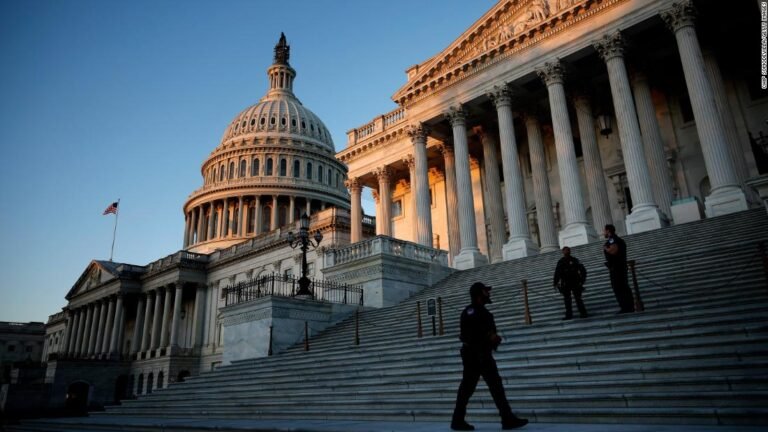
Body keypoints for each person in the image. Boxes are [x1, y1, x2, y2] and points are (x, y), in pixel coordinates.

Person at [451, 282, 528, 431]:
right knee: (495, 387)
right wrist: (491, 339)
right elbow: (476, 335)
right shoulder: (482, 313)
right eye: (486, 291)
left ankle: (457, 420)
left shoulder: (467, 311)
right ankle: (507, 419)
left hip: (471, 355)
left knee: (467, 389)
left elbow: (465, 335)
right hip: (480, 355)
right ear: (480, 294)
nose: (488, 294)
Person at [603, 224, 635, 313]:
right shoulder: (617, 239)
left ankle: (626, 307)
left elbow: (614, 250)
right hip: (620, 267)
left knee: (619, 288)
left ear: (608, 231)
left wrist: (606, 248)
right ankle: (629, 306)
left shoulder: (612, 239)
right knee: (623, 287)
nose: (603, 233)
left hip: (617, 268)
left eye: (604, 231)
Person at [553, 246, 588, 320]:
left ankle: (583, 313)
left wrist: (582, 280)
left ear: (569, 251)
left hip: (575, 282)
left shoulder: (575, 260)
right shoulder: (561, 261)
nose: (566, 252)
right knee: (567, 300)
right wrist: (555, 282)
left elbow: (582, 270)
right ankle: (569, 315)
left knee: (578, 298)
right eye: (565, 250)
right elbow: (557, 272)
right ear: (563, 252)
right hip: (566, 283)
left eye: (567, 250)